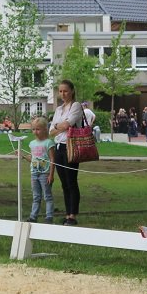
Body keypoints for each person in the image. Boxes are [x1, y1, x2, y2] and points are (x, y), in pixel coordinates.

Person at [49, 79, 83, 226]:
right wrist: (59, 126)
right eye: (60, 91)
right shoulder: (58, 109)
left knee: (71, 181)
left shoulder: (75, 106)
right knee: (64, 183)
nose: (63, 94)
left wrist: (59, 126)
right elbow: (51, 131)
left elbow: (67, 125)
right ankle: (67, 213)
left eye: (65, 91)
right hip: (58, 148)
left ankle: (73, 215)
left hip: (70, 147)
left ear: (72, 91)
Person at [25, 117, 55, 223]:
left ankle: (49, 216)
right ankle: (33, 217)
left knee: (47, 196)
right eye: (33, 129)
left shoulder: (49, 143)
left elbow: (52, 160)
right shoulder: (32, 143)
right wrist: (23, 156)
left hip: (44, 174)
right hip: (34, 173)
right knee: (36, 196)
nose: (35, 132)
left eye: (38, 129)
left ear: (44, 129)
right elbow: (32, 159)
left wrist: (51, 175)